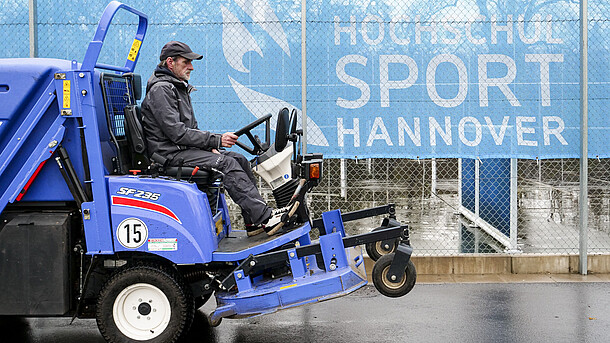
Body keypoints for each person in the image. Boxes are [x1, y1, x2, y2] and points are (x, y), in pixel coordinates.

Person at [141, 41, 289, 236]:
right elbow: (176, 133)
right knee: (226, 164)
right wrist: (215, 140)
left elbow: (190, 129)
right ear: (170, 62)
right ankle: (265, 218)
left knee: (239, 159)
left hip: (181, 150)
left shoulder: (177, 88)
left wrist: (209, 146)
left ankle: (253, 222)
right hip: (169, 155)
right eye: (186, 62)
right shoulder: (162, 90)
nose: (191, 67)